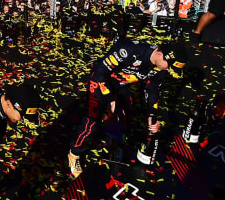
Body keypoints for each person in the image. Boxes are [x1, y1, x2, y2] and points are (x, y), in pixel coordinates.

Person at [68, 40, 190, 178]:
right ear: (161, 54)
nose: (168, 70)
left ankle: (114, 146)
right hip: (100, 81)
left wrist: (152, 115)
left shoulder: (159, 68)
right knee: (92, 121)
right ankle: (74, 153)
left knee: (126, 115)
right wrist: (111, 100)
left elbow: (152, 89)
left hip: (120, 85)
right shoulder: (129, 50)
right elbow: (99, 71)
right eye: (169, 66)